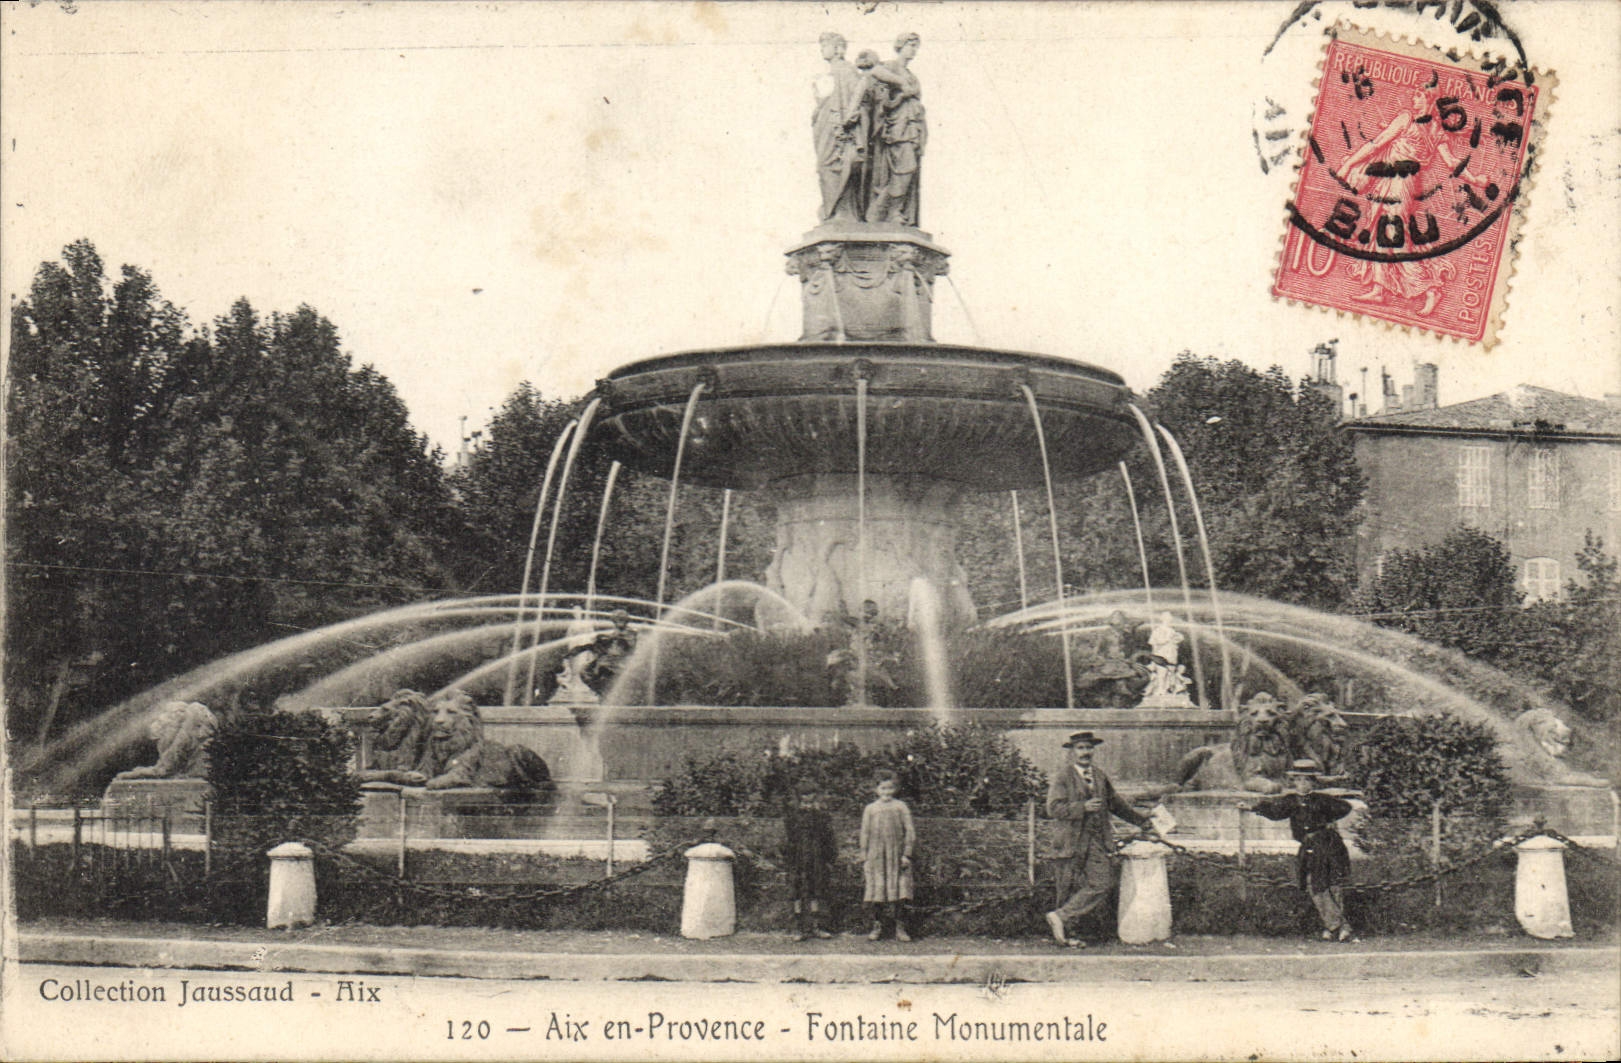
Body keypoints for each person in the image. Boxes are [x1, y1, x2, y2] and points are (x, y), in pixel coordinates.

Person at [1333, 88, 1488, 316]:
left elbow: (1452, 163)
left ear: (1429, 99)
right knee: (1379, 230)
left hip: (1403, 184)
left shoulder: (1432, 128)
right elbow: (1377, 144)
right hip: (1387, 180)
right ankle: (1379, 288)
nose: (1413, 98)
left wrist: (1474, 179)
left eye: (1418, 95)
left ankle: (1431, 289)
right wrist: (1348, 165)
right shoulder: (1411, 120)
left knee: (1397, 235)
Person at [1044, 731, 1154, 947]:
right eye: (1081, 748)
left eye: (1089, 748)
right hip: (1070, 841)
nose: (1086, 752)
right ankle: (1066, 935)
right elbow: (1053, 808)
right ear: (1072, 752)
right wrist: (1081, 807)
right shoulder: (1063, 777)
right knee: (1068, 886)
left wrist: (1142, 821)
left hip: (1096, 841)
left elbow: (1116, 804)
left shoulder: (1099, 776)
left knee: (1102, 883)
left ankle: (1060, 916)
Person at [1244, 759, 1355, 942]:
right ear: (1293, 782)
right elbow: (1274, 811)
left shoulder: (1321, 800)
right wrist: (1252, 808)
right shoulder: (1291, 801)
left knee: (1333, 884)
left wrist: (1328, 820)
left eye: (1307, 780)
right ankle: (1338, 926)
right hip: (1309, 846)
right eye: (1299, 780)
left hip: (1328, 844)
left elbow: (1345, 807)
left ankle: (1334, 927)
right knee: (1314, 884)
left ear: (1313, 782)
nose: (1302, 784)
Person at [866, 32, 927, 225]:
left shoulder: (913, 76)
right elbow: (875, 72)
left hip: (912, 127)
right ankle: (887, 211)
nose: (914, 51)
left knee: (909, 169)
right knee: (905, 168)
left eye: (916, 47)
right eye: (911, 46)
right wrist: (901, 85)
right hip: (897, 128)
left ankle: (894, 211)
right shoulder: (891, 67)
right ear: (900, 46)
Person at [812, 32, 872, 223]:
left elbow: (859, 97)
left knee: (836, 165)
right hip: (825, 129)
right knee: (823, 167)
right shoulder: (827, 74)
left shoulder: (846, 70)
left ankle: (842, 212)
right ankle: (832, 211)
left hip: (839, 132)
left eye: (825, 45)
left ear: (838, 48)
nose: (822, 48)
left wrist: (849, 118)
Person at [860, 770, 915, 942]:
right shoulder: (870, 809)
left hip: (896, 855)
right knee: (877, 890)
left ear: (895, 789)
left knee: (899, 891)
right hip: (876, 856)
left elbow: (910, 831)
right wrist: (864, 855)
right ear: (876, 789)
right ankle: (877, 926)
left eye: (890, 788)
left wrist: (906, 854)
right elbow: (865, 832)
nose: (887, 792)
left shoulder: (901, 806)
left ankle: (900, 927)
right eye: (883, 788)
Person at [783, 782, 838, 941]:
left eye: (811, 795)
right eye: (804, 796)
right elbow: (788, 838)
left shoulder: (821, 815)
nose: (807, 799)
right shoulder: (792, 815)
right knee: (797, 892)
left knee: (817, 891)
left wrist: (830, 857)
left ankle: (817, 926)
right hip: (798, 857)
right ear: (799, 798)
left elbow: (828, 837)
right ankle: (797, 928)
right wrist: (789, 858)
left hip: (816, 857)